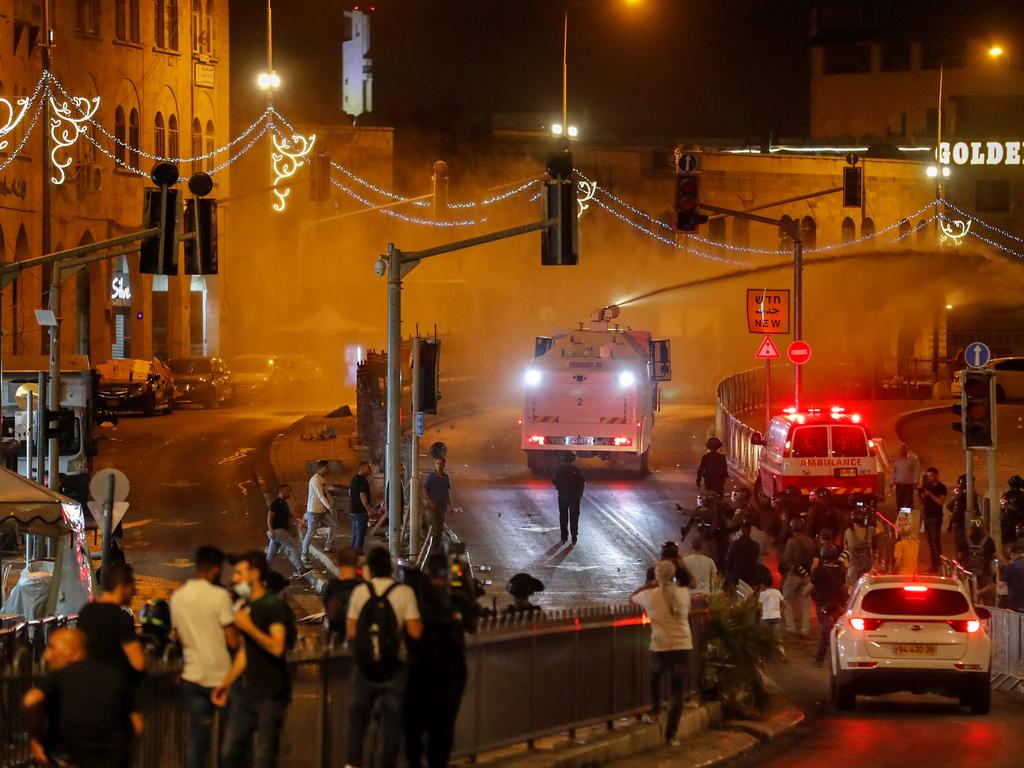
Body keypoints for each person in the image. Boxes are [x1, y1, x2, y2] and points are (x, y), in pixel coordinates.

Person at [215, 552, 297, 768]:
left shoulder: (273, 605)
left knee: (264, 755)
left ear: (255, 573)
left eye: (240, 573)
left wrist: (248, 627)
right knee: (231, 751)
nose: (235, 579)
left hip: (270, 693)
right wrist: (226, 683)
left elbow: (277, 646)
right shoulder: (243, 606)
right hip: (245, 693)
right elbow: (245, 653)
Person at [346, 546, 423, 768]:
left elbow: (351, 632)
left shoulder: (360, 592)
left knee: (358, 720)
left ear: (369, 568)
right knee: (391, 723)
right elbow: (416, 632)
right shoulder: (404, 593)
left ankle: (353, 763)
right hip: (394, 667)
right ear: (390, 569)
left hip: (365, 668)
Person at [22, 628, 142, 768]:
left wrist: (36, 737)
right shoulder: (115, 677)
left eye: (52, 648)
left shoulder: (59, 676)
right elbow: (138, 726)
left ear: (71, 651)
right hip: (114, 760)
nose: (47, 656)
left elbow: (30, 700)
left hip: (70, 759)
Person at [170, 545, 239, 768]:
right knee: (231, 740)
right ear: (215, 569)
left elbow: (178, 636)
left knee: (197, 741)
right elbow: (232, 640)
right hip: (220, 677)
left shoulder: (178, 597)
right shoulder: (220, 596)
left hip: (192, 676)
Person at [405, 553, 471, 768]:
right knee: (441, 733)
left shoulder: (414, 600)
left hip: (417, 678)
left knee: (414, 731)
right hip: (445, 680)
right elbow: (471, 623)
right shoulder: (453, 603)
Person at [630, 560, 693, 747]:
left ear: (657, 577)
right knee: (677, 692)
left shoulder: (650, 595)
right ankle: (671, 735)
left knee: (655, 677)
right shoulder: (683, 593)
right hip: (683, 646)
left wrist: (650, 584)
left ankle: (655, 712)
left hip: (661, 647)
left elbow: (632, 598)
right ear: (673, 575)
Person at [76, 561, 145, 685]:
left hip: (87, 684)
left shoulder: (85, 612)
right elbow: (138, 662)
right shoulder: (121, 618)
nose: (135, 592)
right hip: (113, 687)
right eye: (132, 586)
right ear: (121, 586)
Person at [811, 544, 847, 666]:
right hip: (837, 604)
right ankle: (821, 658)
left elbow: (813, 582)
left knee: (828, 631)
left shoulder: (819, 570)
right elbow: (843, 584)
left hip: (823, 604)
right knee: (829, 631)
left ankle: (831, 657)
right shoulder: (841, 570)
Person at [265, 484, 311, 579]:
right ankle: (301, 569)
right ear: (282, 492)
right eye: (288, 490)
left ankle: (263, 573)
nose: (290, 492)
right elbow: (269, 517)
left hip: (276, 533)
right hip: (278, 531)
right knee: (293, 547)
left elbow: (291, 516)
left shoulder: (284, 503)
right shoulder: (276, 503)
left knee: (271, 555)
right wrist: (271, 530)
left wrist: (300, 523)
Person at [780, 518, 815, 638]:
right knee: (805, 603)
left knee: (786, 600)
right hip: (806, 575)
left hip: (794, 574)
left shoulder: (792, 542)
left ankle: (791, 628)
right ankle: (805, 630)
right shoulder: (810, 541)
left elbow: (786, 558)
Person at [323, 545, 363, 645]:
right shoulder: (363, 588)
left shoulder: (330, 587)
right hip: (358, 641)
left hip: (335, 640)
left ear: (337, 562)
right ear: (358, 563)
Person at [302, 459, 337, 563]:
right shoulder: (315, 480)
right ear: (322, 468)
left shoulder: (322, 479)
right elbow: (320, 495)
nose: (328, 470)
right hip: (313, 511)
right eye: (327, 468)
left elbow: (326, 493)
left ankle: (328, 546)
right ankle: (304, 555)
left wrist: (331, 504)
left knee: (333, 525)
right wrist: (329, 507)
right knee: (310, 533)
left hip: (322, 511)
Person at [918, 467, 948, 574]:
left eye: (931, 475)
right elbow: (922, 502)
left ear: (936, 475)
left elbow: (941, 502)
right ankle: (933, 565)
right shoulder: (927, 487)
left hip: (936, 518)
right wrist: (922, 495)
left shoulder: (941, 487)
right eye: (928, 476)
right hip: (927, 517)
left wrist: (930, 494)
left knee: (936, 543)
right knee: (930, 543)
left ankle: (938, 565)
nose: (929, 478)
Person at [552, 452, 586, 545]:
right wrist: (579, 494)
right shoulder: (577, 471)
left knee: (563, 516)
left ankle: (564, 535)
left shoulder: (559, 470)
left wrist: (559, 488)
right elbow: (582, 483)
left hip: (563, 495)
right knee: (574, 516)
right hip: (574, 497)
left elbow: (555, 481)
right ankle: (574, 536)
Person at [964, 517, 997, 605]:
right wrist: (996, 569)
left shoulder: (966, 540)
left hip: (969, 573)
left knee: (970, 597)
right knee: (988, 598)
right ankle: (989, 615)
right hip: (985, 571)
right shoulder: (989, 540)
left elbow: (960, 555)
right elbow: (994, 556)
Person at [423, 457, 455, 541]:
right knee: (433, 528)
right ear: (435, 465)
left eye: (440, 464)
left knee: (440, 528)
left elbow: (447, 492)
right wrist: (430, 502)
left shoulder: (446, 477)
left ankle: (437, 547)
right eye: (437, 464)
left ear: (444, 465)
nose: (439, 466)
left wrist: (450, 506)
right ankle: (431, 546)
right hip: (432, 507)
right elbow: (425, 490)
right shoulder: (431, 477)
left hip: (442, 507)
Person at [724, 520, 761, 592]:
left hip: (737, 573)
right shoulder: (756, 545)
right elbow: (756, 559)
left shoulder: (736, 544)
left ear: (741, 530)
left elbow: (729, 560)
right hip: (750, 574)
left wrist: (727, 568)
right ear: (750, 531)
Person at [843, 510, 875, 585]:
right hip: (867, 568)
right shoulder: (870, 530)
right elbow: (881, 529)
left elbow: (845, 548)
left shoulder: (848, 532)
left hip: (853, 569)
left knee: (852, 591)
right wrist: (872, 519)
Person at [350, 460, 373, 553]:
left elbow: (349, 492)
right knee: (360, 535)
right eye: (369, 468)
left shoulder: (354, 478)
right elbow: (362, 495)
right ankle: (358, 556)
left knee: (356, 534)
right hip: (360, 512)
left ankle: (352, 555)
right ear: (363, 469)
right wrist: (368, 509)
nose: (370, 470)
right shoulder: (362, 480)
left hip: (353, 511)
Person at [890, 443, 920, 512]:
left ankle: (908, 518)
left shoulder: (913, 459)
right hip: (899, 485)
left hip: (908, 485)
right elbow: (894, 471)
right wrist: (892, 482)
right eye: (901, 450)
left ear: (907, 450)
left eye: (904, 449)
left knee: (908, 504)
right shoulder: (897, 460)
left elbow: (916, 470)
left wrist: (915, 482)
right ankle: (901, 520)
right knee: (900, 503)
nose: (902, 451)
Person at [756, 576, 784, 652]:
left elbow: (759, 606)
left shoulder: (762, 593)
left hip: (766, 617)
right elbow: (782, 603)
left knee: (763, 636)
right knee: (778, 637)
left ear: (763, 584)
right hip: (777, 617)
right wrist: (780, 611)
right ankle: (782, 654)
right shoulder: (777, 592)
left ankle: (763, 655)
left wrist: (761, 614)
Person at [1003, 542, 1024, 612]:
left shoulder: (1009, 566)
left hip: (1016, 605)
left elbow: (1000, 586)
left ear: (1013, 554)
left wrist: (997, 571)